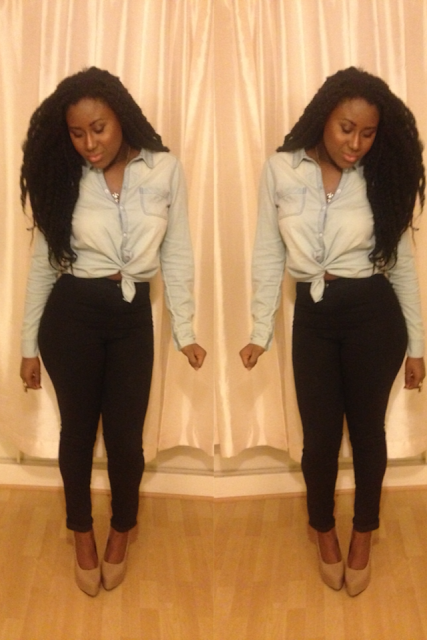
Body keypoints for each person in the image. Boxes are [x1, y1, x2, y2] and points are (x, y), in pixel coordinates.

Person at [20, 67, 206, 596]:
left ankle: (122, 528)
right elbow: (43, 266)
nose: (89, 143)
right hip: (70, 316)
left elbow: (177, 253)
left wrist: (185, 330)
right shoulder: (63, 176)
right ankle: (81, 532)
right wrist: (28, 346)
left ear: (120, 118)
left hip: (130, 319)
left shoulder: (163, 170)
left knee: (126, 438)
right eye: (77, 133)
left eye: (98, 129)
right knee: (77, 433)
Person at [240, 67, 425, 596]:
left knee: (368, 433)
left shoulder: (382, 176)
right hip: (314, 319)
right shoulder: (281, 170)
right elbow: (268, 253)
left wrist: (417, 346)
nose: (356, 144)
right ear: (324, 118)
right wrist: (260, 330)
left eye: (367, 133)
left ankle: (364, 533)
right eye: (347, 129)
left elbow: (402, 266)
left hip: (375, 316)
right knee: (319, 438)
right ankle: (323, 528)